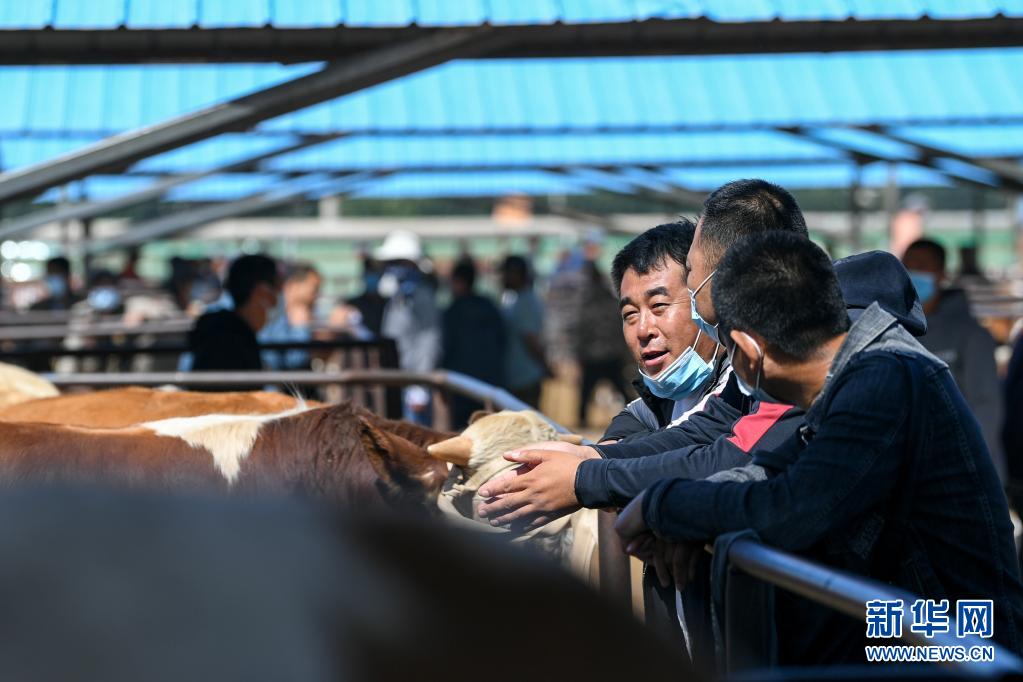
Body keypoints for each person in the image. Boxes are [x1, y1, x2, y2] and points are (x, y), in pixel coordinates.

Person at [616, 231, 1023, 662]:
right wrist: (684, 514)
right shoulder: (850, 378)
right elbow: (772, 473)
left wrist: (662, 505)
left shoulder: (883, 382)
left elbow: (792, 508)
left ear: (748, 351)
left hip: (964, 638)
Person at [602, 219, 729, 443]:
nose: (643, 330)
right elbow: (635, 416)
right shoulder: (668, 396)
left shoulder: (743, 387)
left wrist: (598, 456)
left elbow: (689, 443)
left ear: (705, 298)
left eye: (658, 305)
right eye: (630, 314)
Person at [902, 238, 1004, 482]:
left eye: (922, 266)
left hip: (961, 473)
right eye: (907, 266)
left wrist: (971, 466)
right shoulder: (894, 327)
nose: (912, 272)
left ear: (942, 274)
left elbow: (986, 405)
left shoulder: (971, 334)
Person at [376, 231, 441, 424]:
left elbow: (429, 339)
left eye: (399, 262)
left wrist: (420, 386)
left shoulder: (422, 296)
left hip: (413, 381)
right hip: (398, 377)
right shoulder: (399, 296)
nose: (393, 268)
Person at [440, 258, 507, 428]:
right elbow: (502, 342)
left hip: (461, 384)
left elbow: (446, 348)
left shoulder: (453, 311)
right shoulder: (489, 306)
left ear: (460, 282)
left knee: (462, 432)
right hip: (489, 383)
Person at [190, 254, 280, 377]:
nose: (277, 300)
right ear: (262, 291)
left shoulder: (219, 330)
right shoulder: (231, 342)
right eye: (277, 288)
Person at [575, 253, 632, 428]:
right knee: (621, 391)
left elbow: (582, 330)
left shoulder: (587, 301)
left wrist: (579, 353)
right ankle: (634, 417)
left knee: (586, 393)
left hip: (595, 355)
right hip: (609, 353)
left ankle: (582, 421)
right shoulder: (610, 299)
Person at [499, 255, 550, 408]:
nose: (502, 277)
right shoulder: (515, 299)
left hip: (526, 379)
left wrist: (545, 366)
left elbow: (530, 339)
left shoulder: (526, 302)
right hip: (518, 377)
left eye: (506, 273)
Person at [259, 263, 321, 371]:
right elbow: (295, 361)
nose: (316, 296)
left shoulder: (283, 311)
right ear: (294, 286)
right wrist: (300, 328)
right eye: (314, 290)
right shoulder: (272, 310)